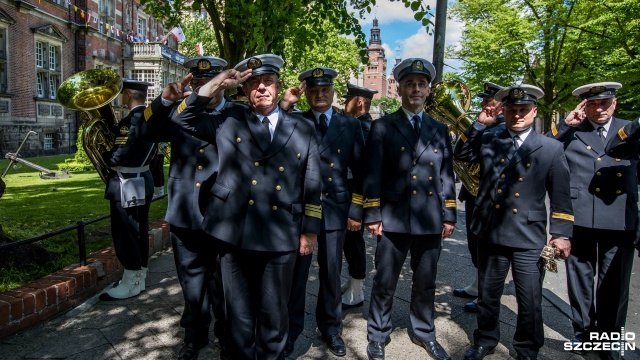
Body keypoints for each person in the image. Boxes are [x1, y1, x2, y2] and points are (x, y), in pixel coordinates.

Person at [172, 54, 322, 360]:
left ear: (279, 88)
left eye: (268, 82)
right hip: (233, 233)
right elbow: (181, 118)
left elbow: (313, 181)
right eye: (254, 83)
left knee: (274, 313)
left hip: (281, 234)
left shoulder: (302, 127)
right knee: (237, 315)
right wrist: (217, 84)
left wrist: (310, 231)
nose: (262, 88)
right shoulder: (228, 121)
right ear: (243, 90)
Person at [454, 84, 573, 360]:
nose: (517, 115)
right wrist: (478, 125)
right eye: (511, 110)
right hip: (491, 231)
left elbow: (561, 197)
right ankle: (484, 340)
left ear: (534, 111)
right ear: (504, 112)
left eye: (523, 110)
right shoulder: (490, 139)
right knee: (488, 294)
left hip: (528, 236)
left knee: (529, 298)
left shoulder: (550, 148)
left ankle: (527, 348)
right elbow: (460, 155)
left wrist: (561, 234)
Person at [362, 58, 457, 360]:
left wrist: (450, 213)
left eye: (421, 84)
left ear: (428, 90)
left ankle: (424, 332)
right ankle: (378, 333)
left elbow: (446, 174)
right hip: (393, 216)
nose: (416, 89)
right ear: (399, 89)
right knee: (385, 280)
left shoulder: (440, 128)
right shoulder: (382, 126)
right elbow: (372, 173)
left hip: (430, 217)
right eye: (410, 84)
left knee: (426, 281)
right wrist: (373, 214)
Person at [140, 56, 230, 360]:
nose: (205, 87)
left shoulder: (236, 113)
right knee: (191, 281)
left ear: (222, 82)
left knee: (223, 281)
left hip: (222, 212)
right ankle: (194, 334)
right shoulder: (179, 112)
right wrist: (165, 99)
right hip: (185, 208)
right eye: (199, 81)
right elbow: (146, 130)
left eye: (211, 81)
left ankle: (226, 333)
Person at [280, 68, 364, 357]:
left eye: (324, 89)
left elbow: (361, 172)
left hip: (335, 209)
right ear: (308, 93)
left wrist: (356, 209)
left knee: (331, 272)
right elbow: (271, 130)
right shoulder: (294, 120)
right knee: (297, 275)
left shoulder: (349, 125)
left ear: (332, 92)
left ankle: (331, 328)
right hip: (301, 210)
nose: (319, 94)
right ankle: (291, 330)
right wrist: (285, 103)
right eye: (314, 90)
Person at [550, 82, 636, 360]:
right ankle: (584, 333)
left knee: (615, 284)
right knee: (580, 280)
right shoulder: (573, 130)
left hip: (619, 218)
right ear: (584, 105)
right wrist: (565, 125)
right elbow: (537, 151)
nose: (599, 109)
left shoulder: (632, 129)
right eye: (593, 104)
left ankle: (609, 339)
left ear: (615, 103)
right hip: (580, 217)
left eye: (604, 103)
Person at [99, 80, 155, 301]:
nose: (120, 98)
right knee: (140, 230)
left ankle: (130, 282)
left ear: (129, 95)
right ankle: (139, 277)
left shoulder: (129, 122)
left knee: (125, 232)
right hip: (143, 178)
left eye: (122, 94)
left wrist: (104, 154)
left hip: (126, 181)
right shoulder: (150, 118)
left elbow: (118, 157)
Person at [453, 82, 504, 314]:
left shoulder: (503, 128)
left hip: (491, 198)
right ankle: (478, 286)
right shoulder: (484, 126)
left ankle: (486, 296)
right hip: (474, 194)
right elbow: (461, 153)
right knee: (475, 247)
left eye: (489, 100)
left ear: (501, 104)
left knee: (487, 250)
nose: (483, 104)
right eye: (483, 99)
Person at [340, 82, 377, 308]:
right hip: (351, 193)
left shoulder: (362, 127)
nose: (345, 104)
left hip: (355, 195)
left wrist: (357, 205)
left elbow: (362, 171)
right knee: (350, 241)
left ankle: (357, 288)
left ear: (359, 103)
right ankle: (353, 283)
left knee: (353, 241)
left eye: (348, 100)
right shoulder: (360, 125)